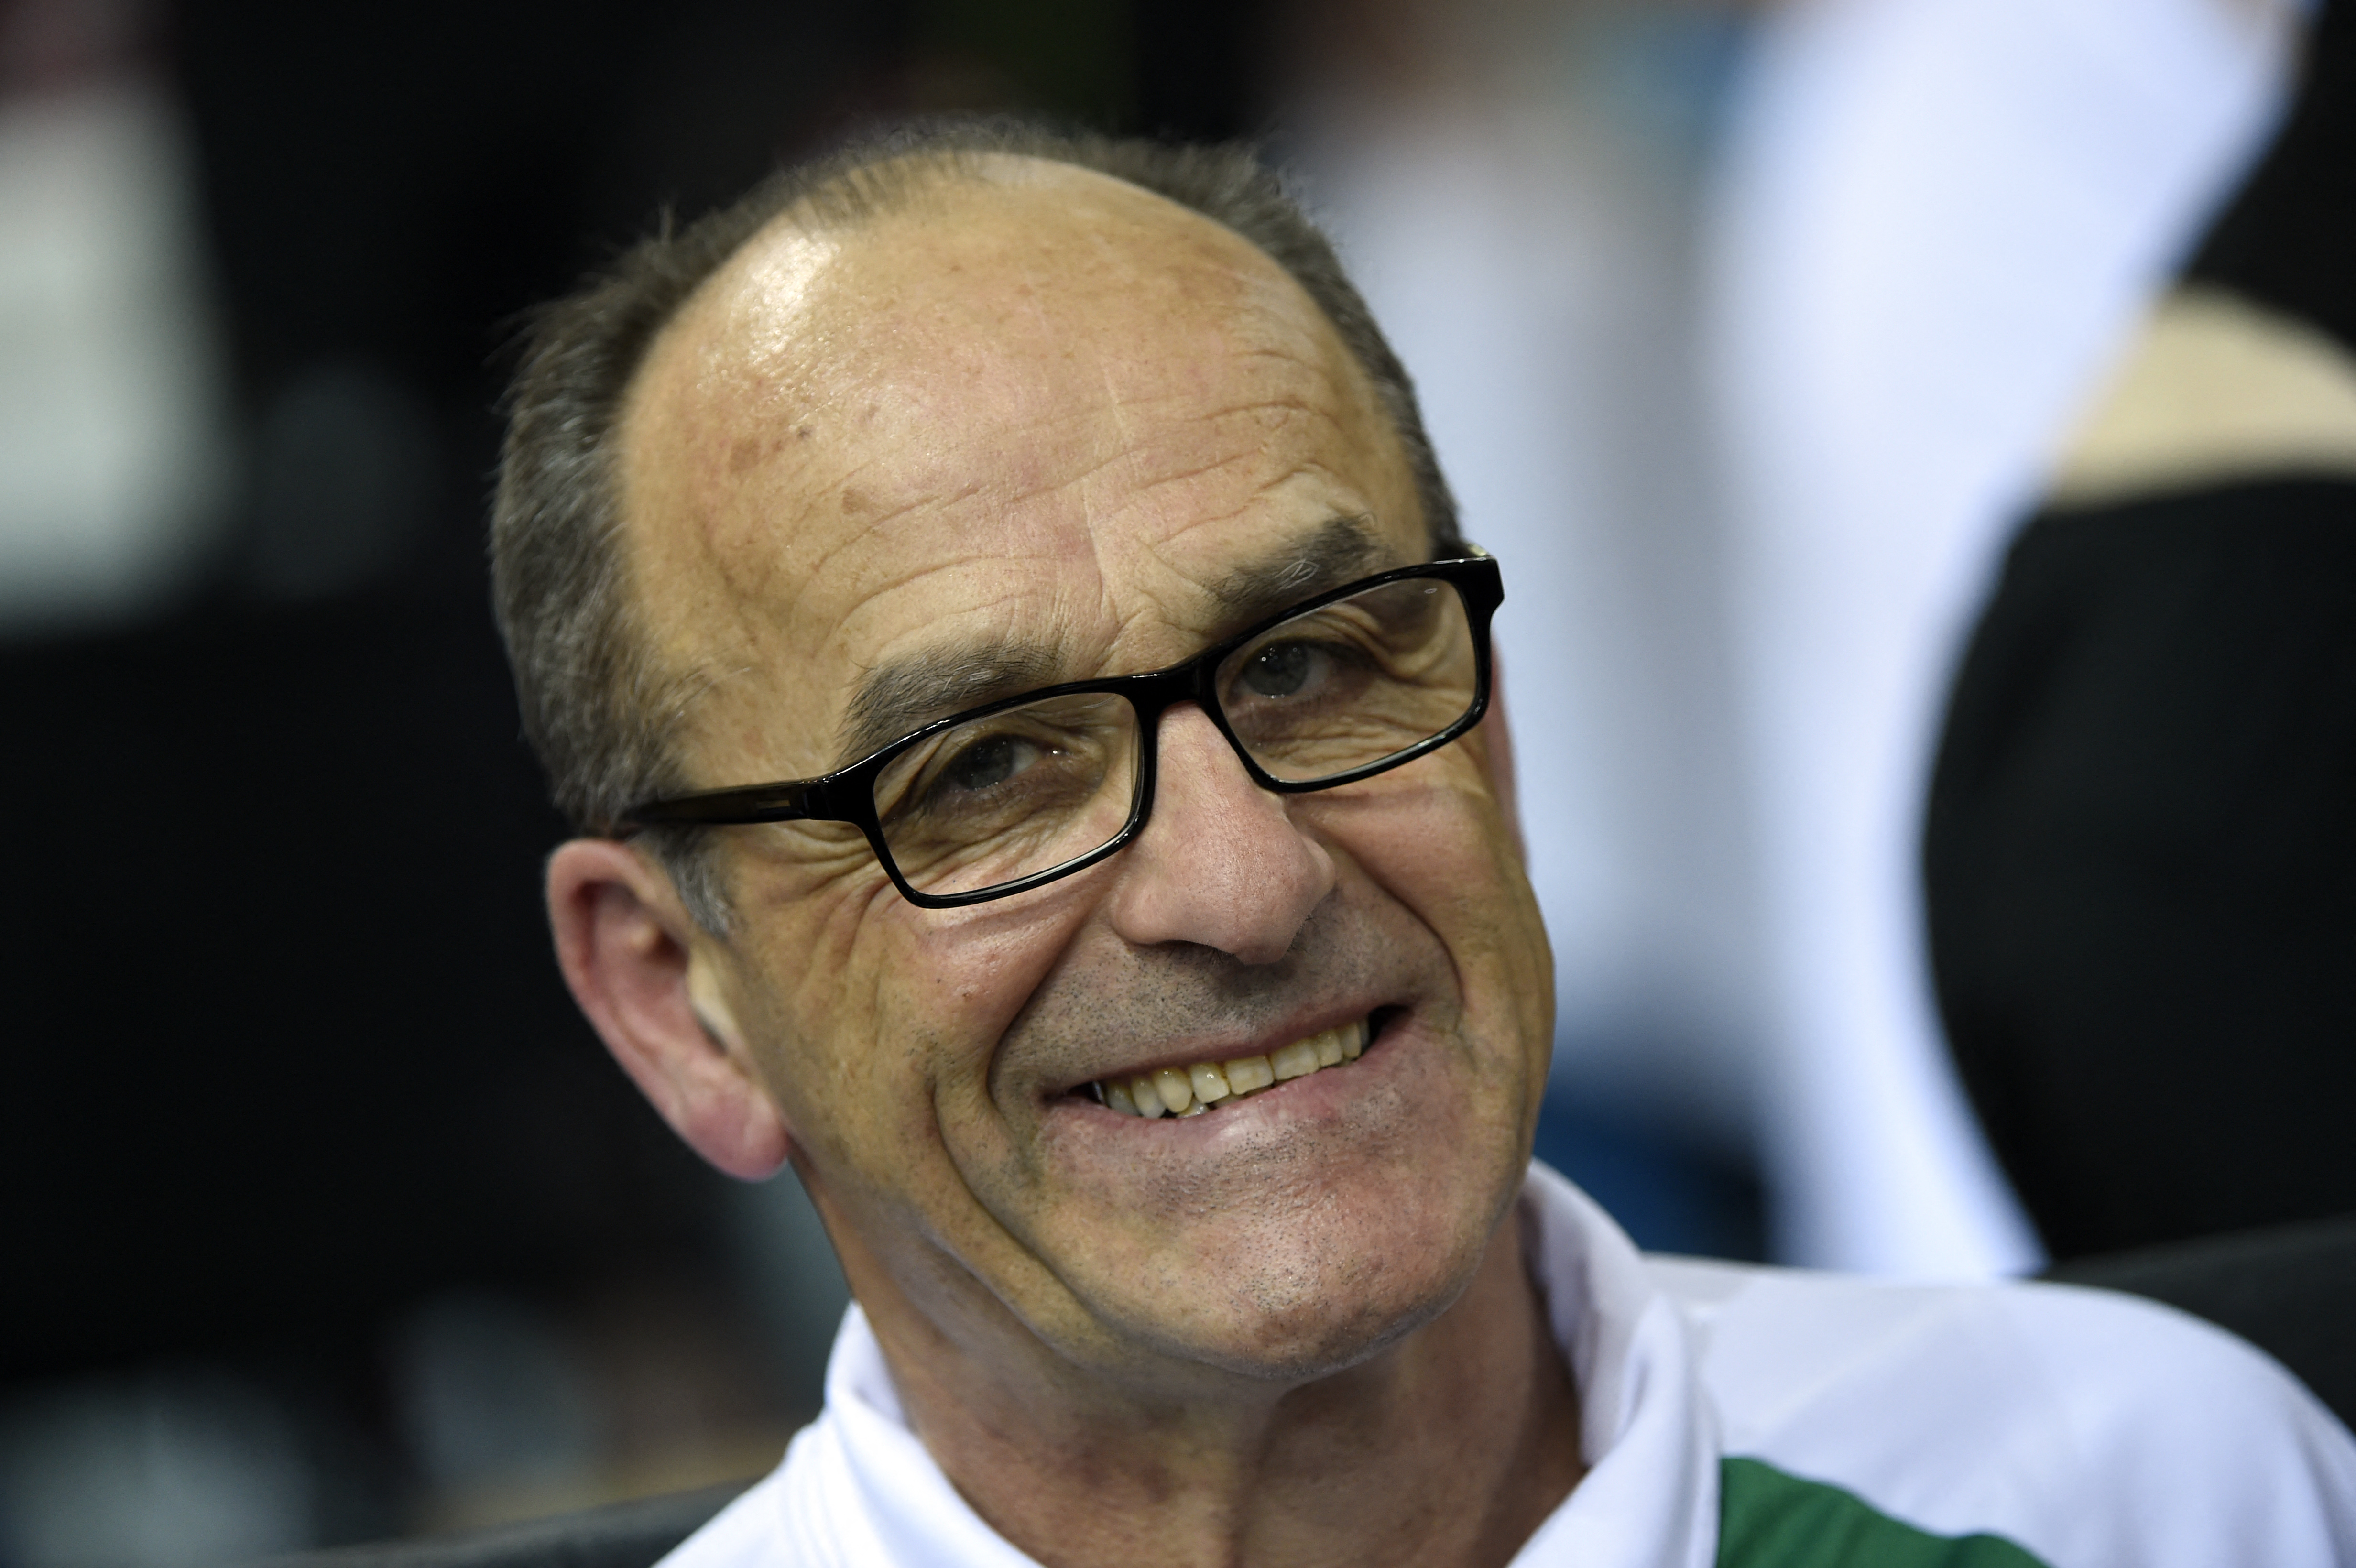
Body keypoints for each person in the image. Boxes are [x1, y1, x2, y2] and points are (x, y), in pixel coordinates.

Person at [490, 121, 2356, 1568]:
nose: (1245, 884)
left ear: (1493, 719)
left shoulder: (2153, 1502)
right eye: (983, 770)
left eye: (1309, 663)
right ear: (676, 1000)